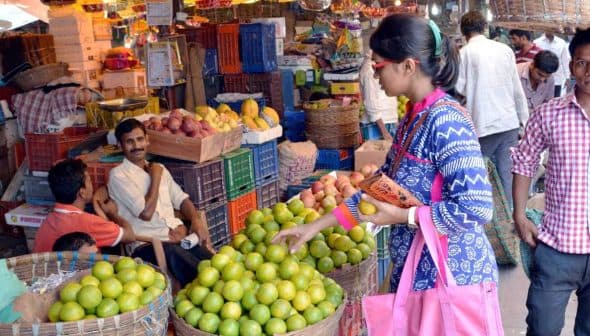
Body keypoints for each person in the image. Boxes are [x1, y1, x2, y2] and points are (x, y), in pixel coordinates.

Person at [274, 14, 497, 297]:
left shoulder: (447, 121)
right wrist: (313, 227)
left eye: (378, 65)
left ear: (408, 66)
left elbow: (476, 208)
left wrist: (405, 217)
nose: (374, 75)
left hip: (454, 280)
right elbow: (378, 190)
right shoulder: (412, 118)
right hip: (417, 274)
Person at [512, 27, 590, 336]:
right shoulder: (549, 114)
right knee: (542, 328)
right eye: (583, 63)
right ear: (572, 66)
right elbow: (524, 158)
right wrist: (519, 214)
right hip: (557, 247)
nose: (589, 72)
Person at [108, 118, 214, 286]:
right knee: (202, 278)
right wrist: (155, 177)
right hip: (147, 246)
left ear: (147, 140)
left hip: (177, 239)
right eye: (129, 141)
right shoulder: (119, 175)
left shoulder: (159, 168)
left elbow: (181, 199)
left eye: (140, 139)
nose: (136, 146)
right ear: (120, 146)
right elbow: (146, 213)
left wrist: (195, 220)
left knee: (213, 264)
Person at [455, 10, 528, 205]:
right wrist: (525, 121)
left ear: (464, 32)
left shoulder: (465, 53)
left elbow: (459, 87)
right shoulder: (504, 50)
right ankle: (510, 222)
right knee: (506, 175)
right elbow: (516, 88)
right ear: (484, 28)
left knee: (479, 176)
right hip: (508, 123)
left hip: (482, 125)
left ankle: (487, 221)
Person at [32, 159, 135, 253]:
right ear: (82, 192)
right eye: (89, 181)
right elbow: (130, 236)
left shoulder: (47, 221)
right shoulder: (89, 222)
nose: (92, 184)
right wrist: (113, 213)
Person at [359, 50, 398, 140]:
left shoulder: (384, 65)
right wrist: (384, 132)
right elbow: (371, 104)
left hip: (388, 122)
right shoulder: (369, 70)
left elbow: (390, 98)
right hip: (376, 125)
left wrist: (395, 122)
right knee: (377, 153)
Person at [534, 31, 571, 97]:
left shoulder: (561, 43)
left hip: (557, 80)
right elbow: (534, 61)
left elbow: (565, 61)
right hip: (541, 78)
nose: (550, 30)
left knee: (555, 100)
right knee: (540, 100)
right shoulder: (537, 42)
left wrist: (567, 78)